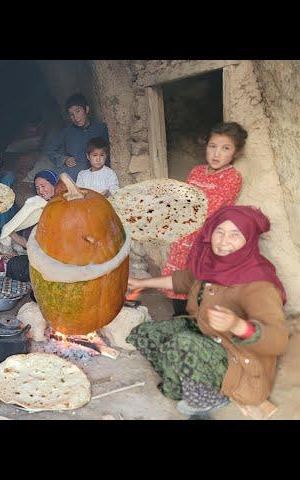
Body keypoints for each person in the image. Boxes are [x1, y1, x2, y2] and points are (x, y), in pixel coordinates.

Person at [126, 206, 288, 417]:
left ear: (248, 239)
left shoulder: (259, 282)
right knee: (144, 334)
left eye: (234, 234)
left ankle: (212, 397)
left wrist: (237, 325)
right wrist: (141, 282)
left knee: (181, 343)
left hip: (237, 359)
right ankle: (181, 383)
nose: (223, 241)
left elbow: (279, 340)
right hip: (206, 332)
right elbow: (183, 281)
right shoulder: (211, 263)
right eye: (219, 232)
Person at [161, 122, 246, 316]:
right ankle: (178, 323)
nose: (217, 154)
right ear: (206, 147)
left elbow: (209, 211)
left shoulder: (232, 177)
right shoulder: (196, 172)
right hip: (183, 242)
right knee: (177, 291)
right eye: (212, 146)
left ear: (235, 153)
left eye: (225, 148)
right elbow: (182, 201)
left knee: (198, 294)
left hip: (204, 245)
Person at [3, 169, 59, 283]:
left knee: (15, 266)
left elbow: (40, 246)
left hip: (54, 261)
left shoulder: (58, 207)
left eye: (43, 186)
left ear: (54, 184)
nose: (40, 191)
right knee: (14, 263)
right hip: (40, 256)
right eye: (37, 188)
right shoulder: (38, 207)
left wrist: (11, 234)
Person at [46, 93, 110, 181]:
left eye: (78, 111)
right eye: (71, 114)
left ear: (86, 109)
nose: (76, 117)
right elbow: (50, 149)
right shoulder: (66, 132)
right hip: (74, 173)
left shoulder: (101, 128)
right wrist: (64, 159)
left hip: (97, 172)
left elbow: (108, 153)